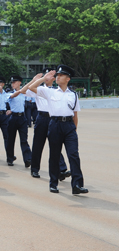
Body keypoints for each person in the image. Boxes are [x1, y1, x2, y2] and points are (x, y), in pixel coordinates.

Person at [29, 65, 88, 195]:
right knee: (54, 155)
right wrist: (44, 78)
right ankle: (53, 183)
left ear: (68, 79)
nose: (58, 77)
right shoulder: (50, 91)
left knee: (73, 155)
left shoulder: (73, 95)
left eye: (61, 75)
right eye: (57, 75)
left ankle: (77, 184)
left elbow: (75, 115)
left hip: (69, 126)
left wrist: (74, 130)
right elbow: (31, 88)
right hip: (54, 124)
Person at [24, 68, 70, 179]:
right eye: (46, 75)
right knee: (38, 144)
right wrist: (36, 80)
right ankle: (34, 169)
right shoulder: (38, 88)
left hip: (53, 119)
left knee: (55, 144)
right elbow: (24, 91)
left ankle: (61, 169)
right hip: (41, 118)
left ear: (54, 79)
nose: (47, 78)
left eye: (50, 76)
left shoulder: (56, 90)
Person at [6, 75, 32, 167]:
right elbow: (13, 96)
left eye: (15, 82)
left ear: (20, 83)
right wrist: (20, 91)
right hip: (13, 118)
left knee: (24, 140)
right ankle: (10, 158)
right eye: (12, 82)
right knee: (11, 139)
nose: (13, 84)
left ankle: (28, 159)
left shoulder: (24, 94)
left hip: (22, 118)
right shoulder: (9, 93)